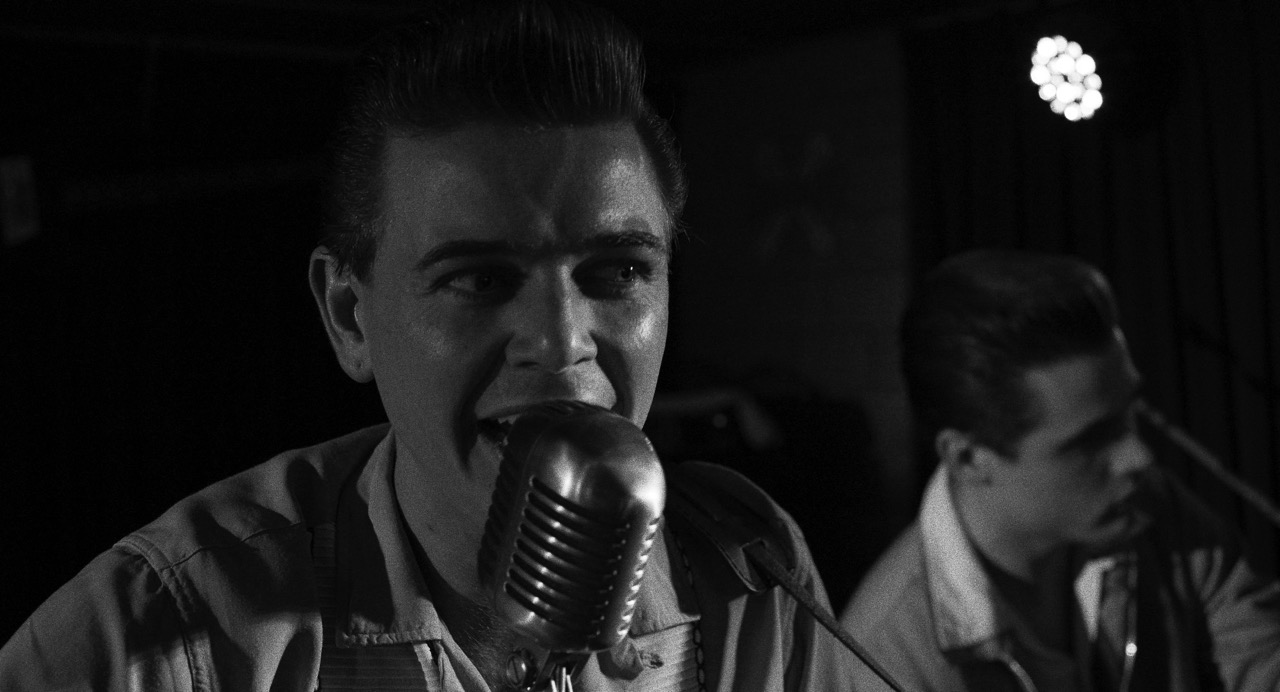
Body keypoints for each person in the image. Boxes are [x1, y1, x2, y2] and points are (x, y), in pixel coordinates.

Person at [0, 1, 854, 689]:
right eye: (480, 279)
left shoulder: (751, 572)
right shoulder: (159, 630)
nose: (561, 342)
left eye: (618, 271)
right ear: (349, 317)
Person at [839, 248, 1280, 691]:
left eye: (1130, 413)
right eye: (1090, 440)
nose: (1138, 456)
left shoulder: (1152, 513)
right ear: (969, 458)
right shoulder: (883, 663)